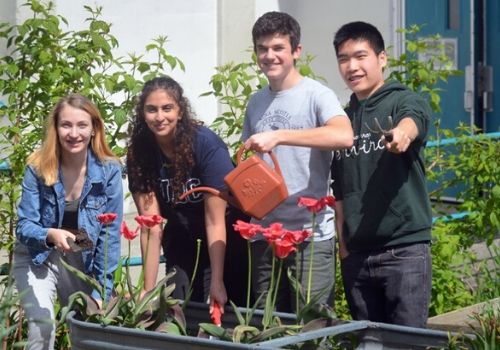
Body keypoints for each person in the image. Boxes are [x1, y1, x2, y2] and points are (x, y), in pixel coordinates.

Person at [242, 11, 353, 312]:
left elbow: (343, 136)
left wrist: (280, 136)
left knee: (313, 326)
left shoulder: (317, 94)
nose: (270, 55)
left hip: (310, 234)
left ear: (296, 51)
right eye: (263, 49)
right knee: (267, 326)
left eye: (278, 48)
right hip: (264, 233)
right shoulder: (255, 102)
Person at [331, 21, 433, 328]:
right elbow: (338, 189)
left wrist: (402, 134)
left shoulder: (402, 99)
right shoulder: (342, 119)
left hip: (404, 250)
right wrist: (343, 247)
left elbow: (414, 120)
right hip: (357, 256)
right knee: (369, 344)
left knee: (407, 344)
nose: (352, 66)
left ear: (382, 58)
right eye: (344, 58)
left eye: (361, 56)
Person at [127, 76, 248, 312]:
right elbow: (151, 225)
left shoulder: (206, 145)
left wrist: (217, 280)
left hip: (223, 237)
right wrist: (147, 289)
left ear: (180, 111)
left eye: (167, 108)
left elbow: (215, 220)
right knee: (181, 310)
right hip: (181, 237)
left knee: (230, 310)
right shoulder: (140, 152)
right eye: (151, 109)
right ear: (143, 113)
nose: (159, 117)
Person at [13, 94, 123, 349]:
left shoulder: (109, 170)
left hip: (80, 255)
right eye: (66, 125)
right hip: (37, 254)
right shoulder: (38, 167)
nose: (74, 133)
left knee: (89, 329)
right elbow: (24, 226)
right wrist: (51, 233)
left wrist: (101, 292)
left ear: (94, 128)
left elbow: (110, 235)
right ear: (55, 128)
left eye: (82, 125)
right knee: (43, 326)